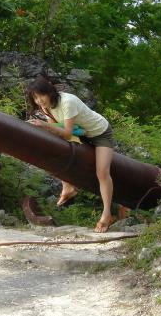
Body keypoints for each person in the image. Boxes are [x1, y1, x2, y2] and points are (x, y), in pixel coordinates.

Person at [25, 76, 117, 233]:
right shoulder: (45, 107)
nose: (39, 100)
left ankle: (106, 214)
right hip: (81, 132)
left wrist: (44, 125)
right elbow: (55, 132)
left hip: (100, 133)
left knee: (102, 173)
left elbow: (67, 133)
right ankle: (67, 186)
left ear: (49, 91)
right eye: (35, 98)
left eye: (41, 95)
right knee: (53, 147)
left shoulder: (68, 102)